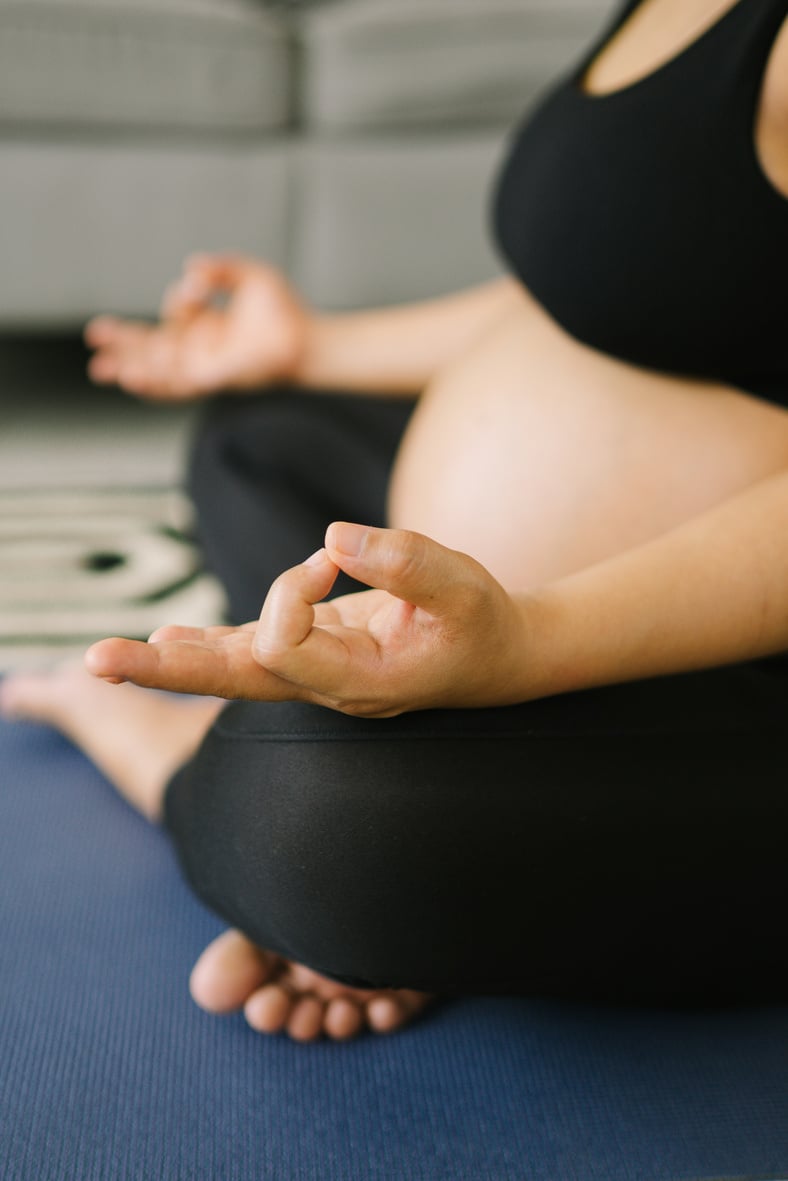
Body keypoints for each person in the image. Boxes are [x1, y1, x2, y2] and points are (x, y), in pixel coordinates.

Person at [2, 0, 788, 1043]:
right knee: (261, 433)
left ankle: (197, 768)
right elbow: (617, 279)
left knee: (319, 825)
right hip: (537, 608)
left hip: (733, 663)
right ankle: (398, 773)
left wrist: (532, 640)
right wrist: (306, 346)